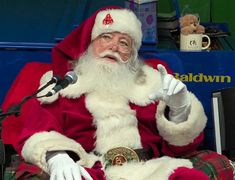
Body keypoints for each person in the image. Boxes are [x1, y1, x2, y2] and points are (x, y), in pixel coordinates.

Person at [12, 6, 234, 180]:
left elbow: (181, 147)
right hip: (90, 169)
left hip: (149, 170)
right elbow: (38, 130)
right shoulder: (63, 84)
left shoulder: (151, 82)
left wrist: (179, 109)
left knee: (208, 168)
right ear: (89, 44)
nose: (114, 47)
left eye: (124, 43)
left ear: (132, 55)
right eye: (106, 37)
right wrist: (56, 155)